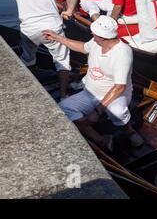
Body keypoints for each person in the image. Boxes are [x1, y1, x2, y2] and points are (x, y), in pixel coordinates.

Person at [42, 15, 144, 151]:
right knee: (63, 108)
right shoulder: (96, 42)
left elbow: (120, 87)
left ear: (102, 37)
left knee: (118, 111)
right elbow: (83, 47)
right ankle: (101, 139)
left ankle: (129, 130)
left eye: (94, 33)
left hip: (115, 96)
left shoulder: (122, 52)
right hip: (90, 93)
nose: (91, 34)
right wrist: (57, 38)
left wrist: (98, 110)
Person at [0, 0, 79, 98]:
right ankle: (63, 95)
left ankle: (30, 90)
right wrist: (69, 11)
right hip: (52, 27)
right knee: (61, 61)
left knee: (27, 58)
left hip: (29, 29)